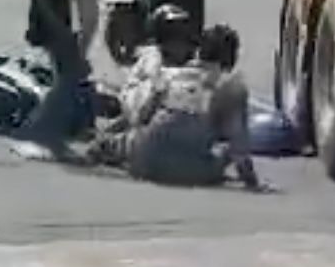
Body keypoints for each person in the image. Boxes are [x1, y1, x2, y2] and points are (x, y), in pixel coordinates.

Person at [92, 24, 262, 191]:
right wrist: (252, 182)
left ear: (198, 52)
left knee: (142, 134)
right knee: (223, 151)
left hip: (143, 161)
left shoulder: (170, 75)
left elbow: (140, 116)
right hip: (188, 172)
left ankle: (109, 147)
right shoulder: (230, 87)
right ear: (232, 59)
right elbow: (239, 144)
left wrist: (114, 132)